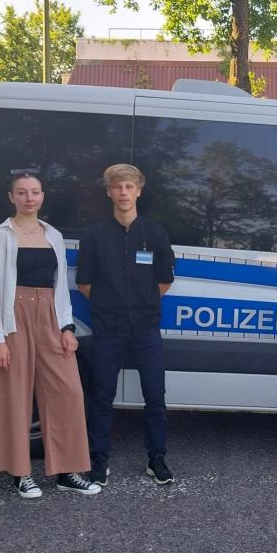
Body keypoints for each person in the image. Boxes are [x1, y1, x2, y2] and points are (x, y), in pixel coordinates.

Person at [0, 173, 101, 499]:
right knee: (15, 395)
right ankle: (21, 474)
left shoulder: (53, 235)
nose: (29, 198)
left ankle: (67, 471)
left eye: (34, 192)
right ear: (11, 197)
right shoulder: (0, 236)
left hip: (49, 314)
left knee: (68, 392)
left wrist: (66, 327)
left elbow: (60, 285)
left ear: (42, 196)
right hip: (13, 316)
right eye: (22, 192)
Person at [77, 164, 176, 486]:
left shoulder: (155, 234)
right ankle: (99, 460)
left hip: (146, 327)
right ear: (109, 192)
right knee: (102, 397)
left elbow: (164, 279)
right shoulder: (94, 236)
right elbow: (84, 283)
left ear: (138, 192)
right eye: (118, 187)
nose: (123, 192)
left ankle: (156, 458)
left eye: (129, 187)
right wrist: (112, 305)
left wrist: (141, 303)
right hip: (108, 327)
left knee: (155, 396)